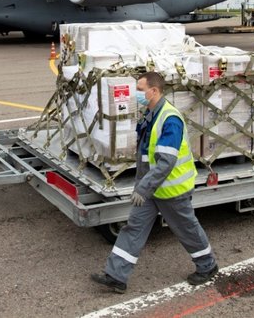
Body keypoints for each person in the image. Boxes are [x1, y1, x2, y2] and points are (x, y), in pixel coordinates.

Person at [91, 72, 218, 294]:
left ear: (154, 91)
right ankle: (116, 276)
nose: (137, 94)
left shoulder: (170, 119)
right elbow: (145, 155)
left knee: (187, 229)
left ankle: (208, 266)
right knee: (134, 228)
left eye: (140, 89)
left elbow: (165, 162)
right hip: (150, 190)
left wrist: (143, 187)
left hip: (172, 190)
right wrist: (144, 185)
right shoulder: (150, 114)